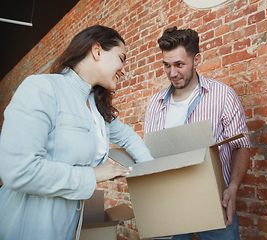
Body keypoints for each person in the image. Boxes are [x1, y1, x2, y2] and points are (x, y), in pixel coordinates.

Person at [0, 25, 153, 240]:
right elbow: (18, 171)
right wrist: (92, 175)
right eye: (121, 58)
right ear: (97, 51)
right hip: (24, 226)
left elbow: (128, 137)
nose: (124, 68)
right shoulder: (42, 88)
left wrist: (154, 171)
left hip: (67, 227)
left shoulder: (98, 108)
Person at [144, 26, 251, 240]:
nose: (172, 73)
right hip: (169, 206)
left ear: (197, 60)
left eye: (179, 64)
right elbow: (150, 155)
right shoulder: (154, 104)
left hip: (214, 202)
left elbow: (241, 145)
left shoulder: (223, 95)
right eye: (166, 65)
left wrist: (233, 188)